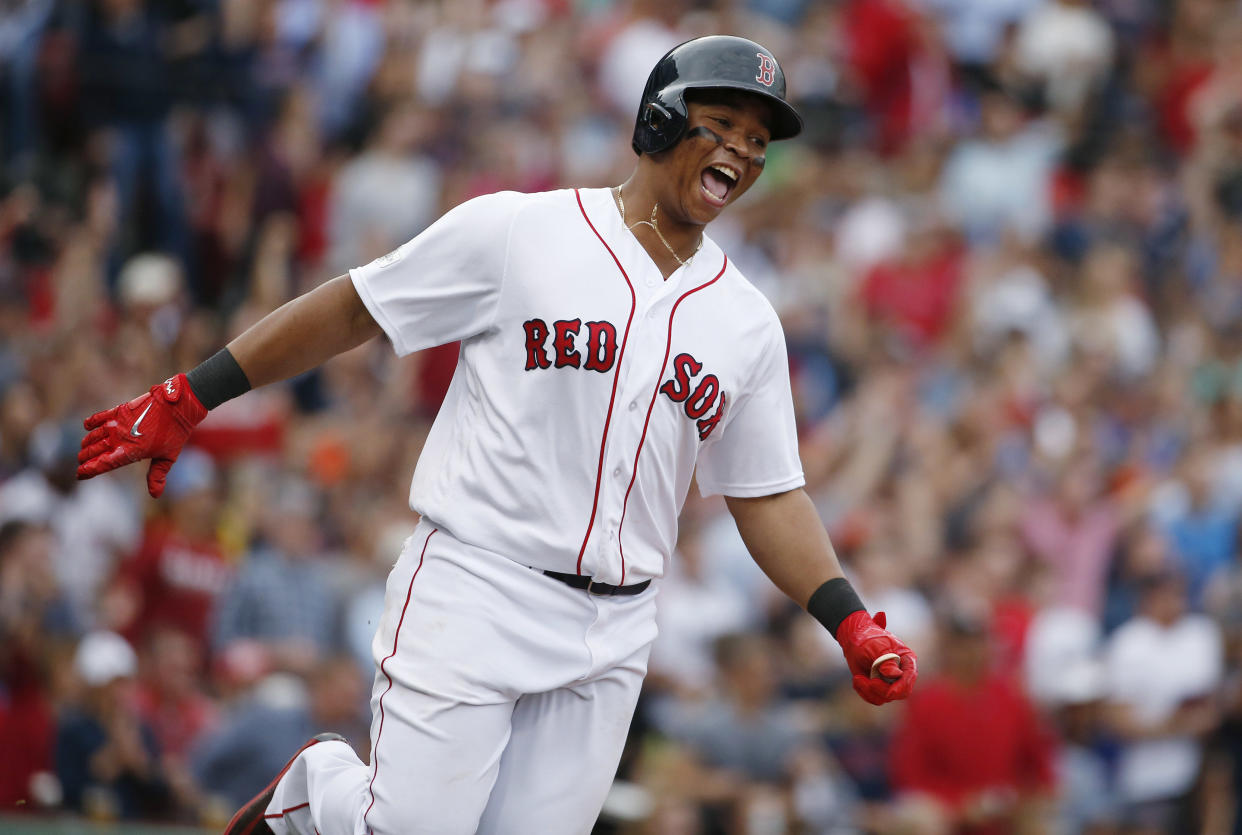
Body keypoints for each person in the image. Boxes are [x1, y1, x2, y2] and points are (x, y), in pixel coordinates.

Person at [76, 36, 918, 835]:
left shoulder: (747, 321)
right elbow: (358, 304)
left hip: (615, 629)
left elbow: (766, 490)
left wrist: (848, 619)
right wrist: (193, 393)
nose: (744, 148)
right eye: (726, 123)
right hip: (478, 581)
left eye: (759, 136)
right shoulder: (523, 231)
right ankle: (315, 794)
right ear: (658, 119)